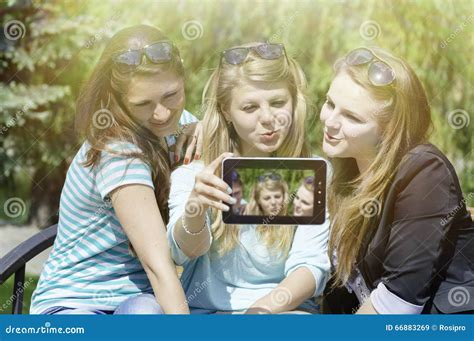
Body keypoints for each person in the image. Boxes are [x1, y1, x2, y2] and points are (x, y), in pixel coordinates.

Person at [30, 25, 203, 315]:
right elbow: (157, 267)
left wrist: (208, 127)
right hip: (74, 308)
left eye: (171, 95)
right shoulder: (119, 150)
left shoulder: (178, 124)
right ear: (120, 100)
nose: (161, 113)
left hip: (138, 303)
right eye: (143, 104)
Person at [167, 42, 330, 314]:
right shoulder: (195, 175)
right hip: (207, 313)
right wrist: (195, 208)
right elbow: (180, 253)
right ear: (227, 111)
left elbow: (310, 265)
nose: (268, 118)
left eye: (278, 102)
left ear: (294, 101)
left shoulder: (315, 173)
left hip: (283, 313)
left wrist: (260, 313)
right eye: (250, 107)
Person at [321, 47, 474, 314]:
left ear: (390, 130)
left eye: (352, 117)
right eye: (330, 104)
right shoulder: (345, 175)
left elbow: (396, 305)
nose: (330, 122)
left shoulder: (424, 170)